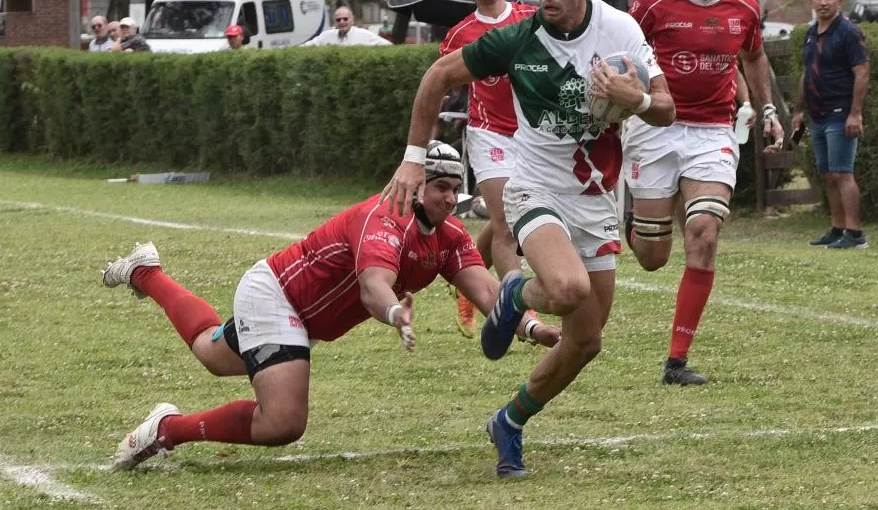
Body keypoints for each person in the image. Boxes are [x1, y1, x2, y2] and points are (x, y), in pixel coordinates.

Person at [381, 0, 675, 478]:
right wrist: (413, 159)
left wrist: (635, 100)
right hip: (534, 185)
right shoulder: (519, 40)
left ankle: (509, 421)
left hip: (593, 198)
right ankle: (515, 291)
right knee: (567, 290)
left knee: (585, 341)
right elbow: (437, 77)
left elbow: (665, 108)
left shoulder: (621, 31)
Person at [101, 141, 559, 471]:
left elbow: (485, 291)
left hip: (297, 315)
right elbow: (373, 286)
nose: (447, 196)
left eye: (454, 187)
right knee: (283, 421)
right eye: (439, 185)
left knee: (210, 351)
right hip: (276, 295)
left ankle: (146, 271)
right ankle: (168, 431)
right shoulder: (384, 218)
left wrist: (532, 327)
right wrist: (395, 314)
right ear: (416, 186)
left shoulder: (449, 236)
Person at [625, 0, 784, 386]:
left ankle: (676, 361)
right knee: (652, 257)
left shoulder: (744, 9)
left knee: (704, 232)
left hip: (712, 131)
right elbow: (620, 50)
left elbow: (753, 56)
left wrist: (767, 108)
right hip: (655, 126)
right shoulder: (652, 5)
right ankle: (647, 215)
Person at [437, 0, 538, 337]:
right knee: (505, 225)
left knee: (513, 221)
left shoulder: (529, 20)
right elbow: (441, 85)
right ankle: (517, 313)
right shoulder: (460, 34)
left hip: (533, 135)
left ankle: (467, 282)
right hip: (488, 132)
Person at [791, 0, 869, 249]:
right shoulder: (812, 32)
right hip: (818, 114)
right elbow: (807, 71)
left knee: (842, 173)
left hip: (841, 112)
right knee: (827, 174)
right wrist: (799, 109)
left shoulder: (848, 32)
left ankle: (855, 234)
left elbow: (862, 72)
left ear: (839, 1)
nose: (823, 2)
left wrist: (855, 113)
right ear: (811, 1)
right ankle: (837, 228)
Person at [302, 6, 391, 46]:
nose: (342, 21)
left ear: (352, 20)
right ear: (335, 22)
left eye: (345, 19)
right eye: (338, 19)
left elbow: (388, 45)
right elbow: (307, 46)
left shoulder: (364, 35)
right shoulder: (326, 36)